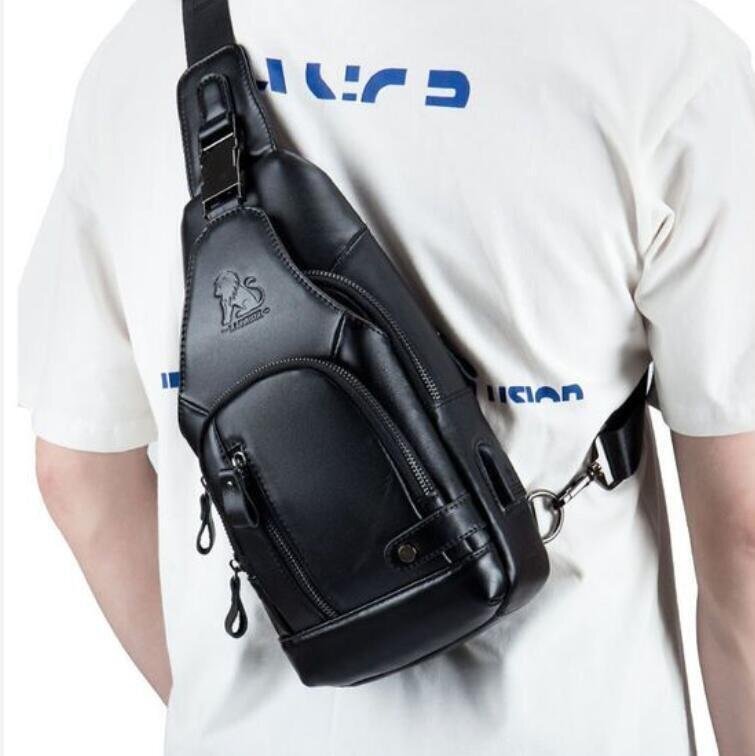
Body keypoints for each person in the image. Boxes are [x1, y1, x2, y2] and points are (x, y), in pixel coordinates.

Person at [19, 0, 755, 754]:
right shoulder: (661, 56)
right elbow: (743, 527)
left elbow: (75, 473)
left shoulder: (137, 57)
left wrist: (219, 714)